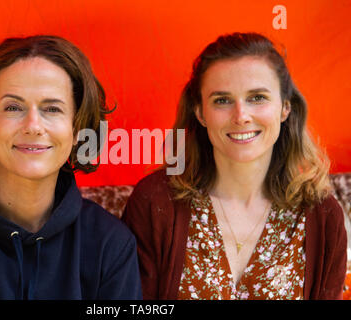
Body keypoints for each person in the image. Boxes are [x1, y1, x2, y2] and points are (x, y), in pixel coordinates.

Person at [0, 35, 142, 300]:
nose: (32, 125)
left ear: (78, 128)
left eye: (52, 109)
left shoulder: (110, 245)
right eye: (13, 107)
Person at [122, 32, 347, 300]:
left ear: (285, 107)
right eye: (222, 100)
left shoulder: (322, 215)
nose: (241, 116)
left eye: (257, 97)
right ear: (200, 113)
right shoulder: (155, 202)